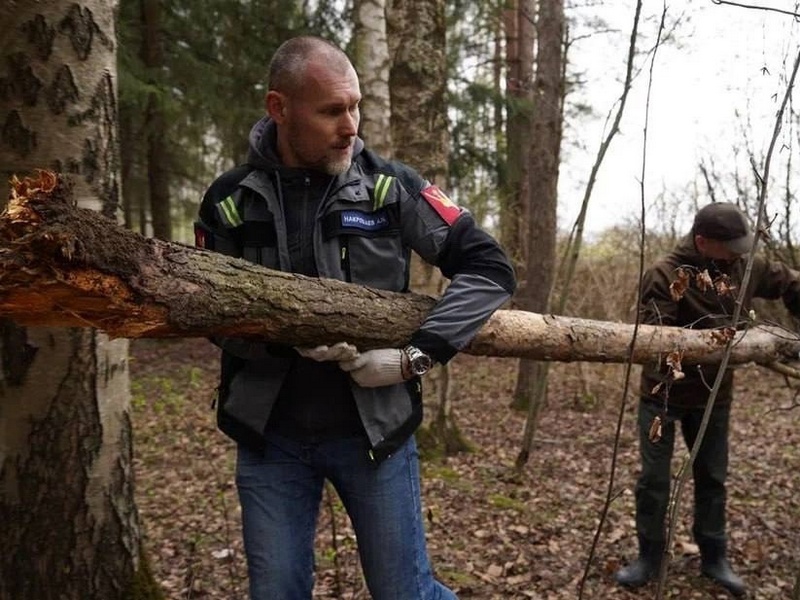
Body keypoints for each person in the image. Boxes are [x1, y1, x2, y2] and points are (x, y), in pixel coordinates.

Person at [194, 36, 516, 600]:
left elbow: (490, 269)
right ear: (279, 108)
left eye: (356, 106)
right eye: (331, 111)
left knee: (405, 592)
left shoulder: (391, 189)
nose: (351, 126)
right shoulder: (229, 201)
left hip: (375, 435)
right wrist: (283, 341)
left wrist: (411, 359)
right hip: (271, 439)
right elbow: (209, 311)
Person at [615, 202, 800, 597]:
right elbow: (657, 341)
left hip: (715, 398)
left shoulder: (744, 267)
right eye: (730, 246)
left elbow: (789, 282)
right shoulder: (664, 274)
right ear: (702, 242)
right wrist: (722, 341)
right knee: (654, 481)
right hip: (661, 397)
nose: (738, 253)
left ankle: (714, 557)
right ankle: (649, 556)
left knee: (712, 478)